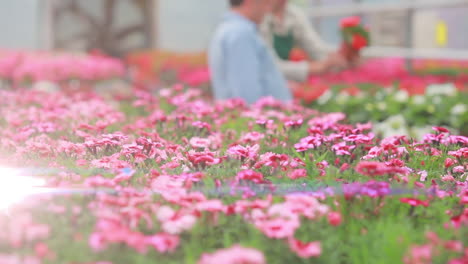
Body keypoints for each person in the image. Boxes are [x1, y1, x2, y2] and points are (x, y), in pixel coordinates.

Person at [208, 0, 293, 105]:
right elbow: (246, 94)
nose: (267, 9)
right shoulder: (240, 34)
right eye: (264, 3)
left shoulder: (232, 29)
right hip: (261, 119)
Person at [260, 0, 351, 82]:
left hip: (286, 81)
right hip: (266, 81)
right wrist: (315, 67)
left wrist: (344, 55)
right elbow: (271, 65)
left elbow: (317, 49)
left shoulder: (294, 15)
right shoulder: (260, 17)